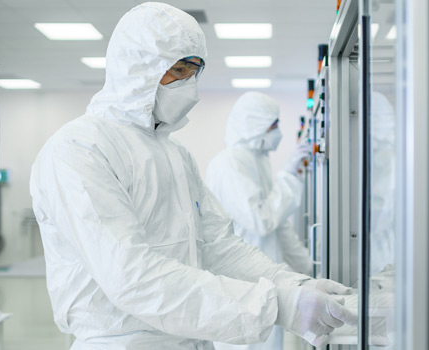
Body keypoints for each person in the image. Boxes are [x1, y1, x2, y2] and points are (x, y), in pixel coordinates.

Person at [29, 3, 356, 350]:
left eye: (195, 71)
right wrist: (275, 304)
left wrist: (294, 285)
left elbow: (219, 246)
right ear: (138, 67)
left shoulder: (174, 153)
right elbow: (132, 276)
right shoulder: (79, 149)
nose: (190, 86)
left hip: (192, 337)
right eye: (179, 69)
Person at [206, 91, 316, 350]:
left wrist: (308, 270)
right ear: (255, 125)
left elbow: (280, 225)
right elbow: (262, 220)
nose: (278, 131)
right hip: (241, 282)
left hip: (264, 281)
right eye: (274, 124)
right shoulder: (229, 164)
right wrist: (288, 175)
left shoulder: (259, 161)